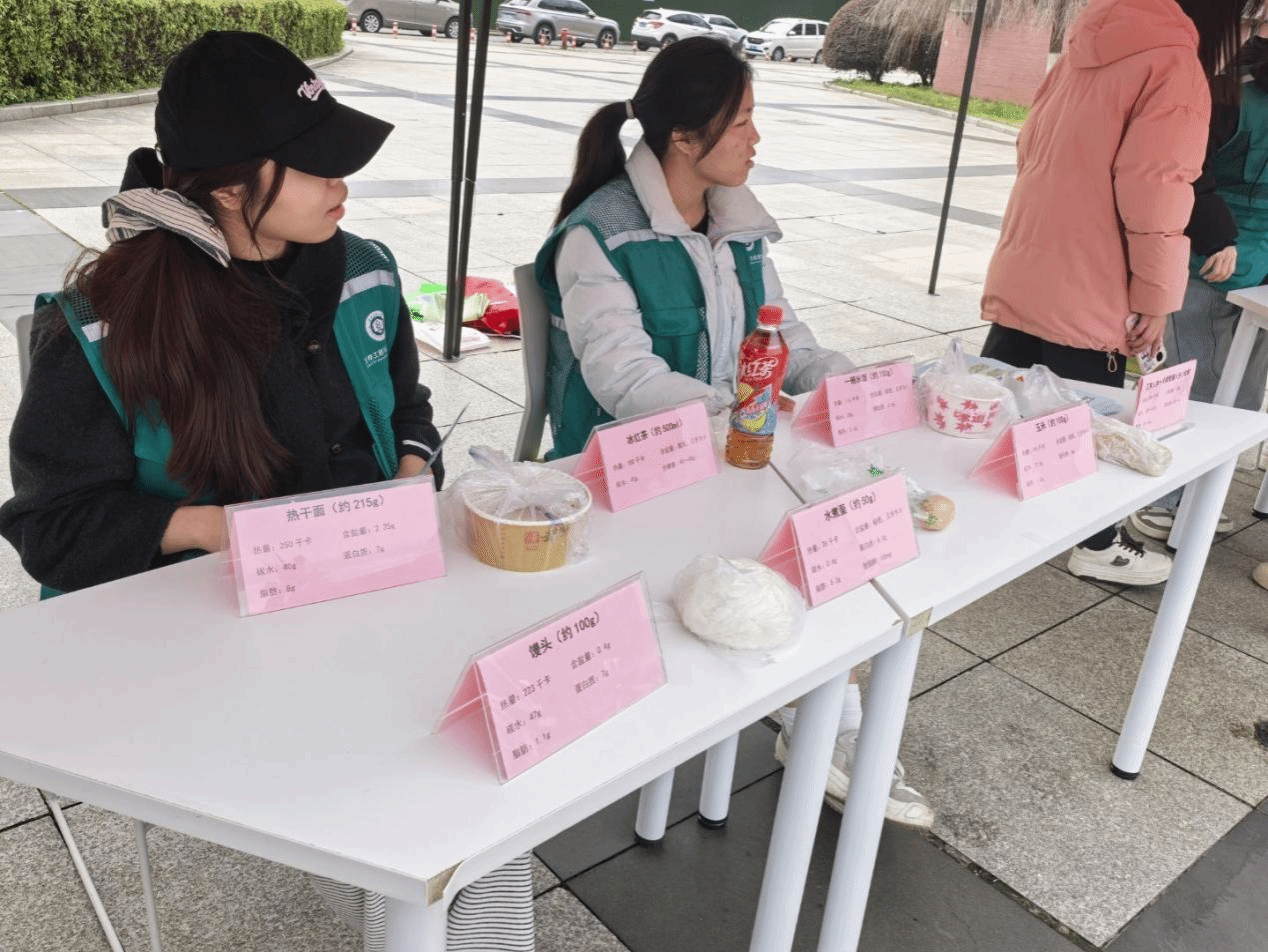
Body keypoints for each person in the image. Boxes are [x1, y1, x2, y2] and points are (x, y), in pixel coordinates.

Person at [0, 30, 533, 952]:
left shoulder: (363, 271)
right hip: (211, 636)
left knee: (481, 761)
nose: (343, 183)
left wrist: (412, 474)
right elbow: (53, 529)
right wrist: (217, 531)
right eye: (317, 163)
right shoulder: (107, 324)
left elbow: (408, 408)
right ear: (228, 185)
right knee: (435, 787)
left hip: (369, 599)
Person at [534, 36, 932, 827]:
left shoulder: (738, 225)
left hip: (730, 455)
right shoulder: (599, 234)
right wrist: (740, 416)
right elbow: (625, 381)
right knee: (801, 539)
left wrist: (855, 385)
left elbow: (788, 341)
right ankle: (829, 721)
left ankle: (826, 712)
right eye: (743, 120)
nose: (756, 138)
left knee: (837, 530)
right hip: (628, 477)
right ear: (686, 137)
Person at [980, 0, 1253, 586]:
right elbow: (1159, 189)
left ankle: (979, 516)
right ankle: (1097, 543)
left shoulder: (1084, 47)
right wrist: (1156, 297)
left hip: (1031, 254)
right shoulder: (1172, 63)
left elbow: (1031, 147)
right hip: (1094, 277)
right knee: (1091, 416)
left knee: (1000, 393)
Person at [1131, 19, 1268, 545]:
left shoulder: (1228, 82)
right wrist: (1216, 236)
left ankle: (1198, 495)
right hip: (1209, 255)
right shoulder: (1225, 88)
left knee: (1240, 389)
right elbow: (1187, 172)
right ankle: (1163, 498)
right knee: (1194, 380)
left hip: (1249, 264)